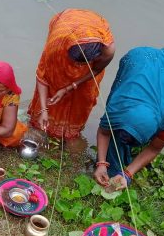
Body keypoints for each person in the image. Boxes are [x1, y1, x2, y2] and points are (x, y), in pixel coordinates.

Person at [93, 47, 164, 191]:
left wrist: (127, 173)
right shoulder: (117, 108)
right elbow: (104, 132)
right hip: (137, 60)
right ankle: (121, 141)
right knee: (116, 131)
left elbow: (154, 148)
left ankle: (131, 145)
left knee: (139, 126)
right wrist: (101, 164)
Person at [28, 8, 115, 139]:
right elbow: (42, 75)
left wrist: (70, 86)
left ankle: (71, 131)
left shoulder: (107, 50)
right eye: (76, 63)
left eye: (82, 64)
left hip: (92, 57)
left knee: (84, 98)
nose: (78, 67)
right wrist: (44, 110)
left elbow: (96, 70)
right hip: (65, 33)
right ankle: (43, 120)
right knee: (53, 85)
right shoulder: (56, 47)